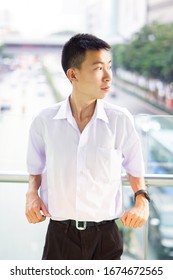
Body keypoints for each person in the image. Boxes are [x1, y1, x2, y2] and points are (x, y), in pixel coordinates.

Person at [25, 33, 149, 260]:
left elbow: (135, 169)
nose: (108, 77)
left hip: (106, 238)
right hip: (60, 236)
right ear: (73, 74)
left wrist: (142, 201)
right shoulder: (44, 121)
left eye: (109, 67)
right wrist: (32, 194)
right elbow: (35, 168)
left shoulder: (120, 120)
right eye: (98, 68)